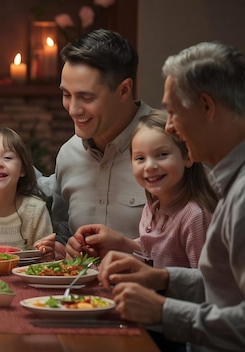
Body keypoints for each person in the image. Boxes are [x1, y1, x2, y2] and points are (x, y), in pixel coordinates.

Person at [99, 41, 245, 351]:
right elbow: (225, 289)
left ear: (206, 107)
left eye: (174, 112)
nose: (169, 126)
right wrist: (162, 278)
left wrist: (163, 311)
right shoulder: (229, 183)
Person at [66, 110, 217, 269]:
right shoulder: (152, 209)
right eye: (140, 158)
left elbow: (206, 283)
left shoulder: (195, 216)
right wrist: (121, 243)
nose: (150, 166)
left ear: (188, 157)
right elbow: (154, 252)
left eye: (162, 154)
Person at [51, 29, 152, 250]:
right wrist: (64, 247)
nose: (73, 109)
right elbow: (62, 233)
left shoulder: (171, 145)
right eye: (66, 95)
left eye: (86, 97)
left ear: (124, 90)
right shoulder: (68, 154)